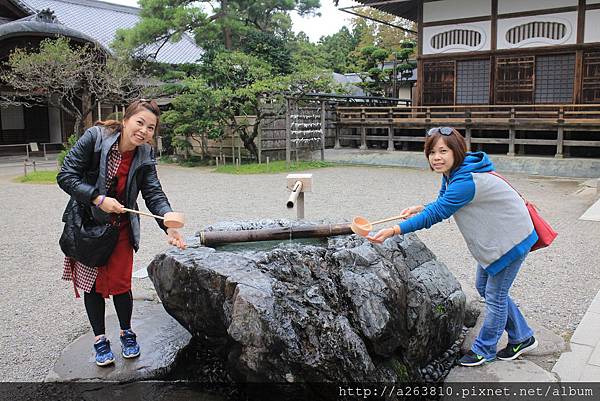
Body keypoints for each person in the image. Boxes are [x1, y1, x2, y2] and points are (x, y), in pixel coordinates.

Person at [367, 127, 538, 367]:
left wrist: (394, 230)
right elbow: (442, 203)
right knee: (484, 287)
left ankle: (485, 349)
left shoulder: (466, 180)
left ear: (456, 151)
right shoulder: (454, 173)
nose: (436, 157)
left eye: (443, 151)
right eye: (432, 152)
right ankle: (523, 336)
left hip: (510, 240)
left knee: (495, 296)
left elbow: (439, 213)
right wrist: (421, 207)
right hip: (495, 239)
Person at [57, 99, 186, 367]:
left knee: (120, 283)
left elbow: (152, 192)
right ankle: (100, 338)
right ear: (126, 119)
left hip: (121, 226)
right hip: (88, 223)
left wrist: (168, 224)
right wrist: (97, 198)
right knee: (91, 281)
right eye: (140, 122)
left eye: (150, 127)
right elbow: (66, 175)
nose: (143, 131)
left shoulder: (145, 153)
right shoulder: (96, 137)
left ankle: (127, 332)